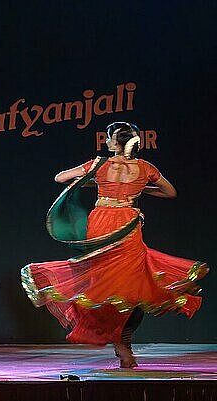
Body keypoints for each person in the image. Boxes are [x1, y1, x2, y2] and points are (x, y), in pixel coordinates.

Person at [21, 122, 208, 368]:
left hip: (101, 223)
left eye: (109, 139)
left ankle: (119, 342)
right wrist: (142, 189)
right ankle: (123, 343)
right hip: (128, 223)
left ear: (115, 142)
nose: (106, 142)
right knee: (131, 285)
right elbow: (170, 192)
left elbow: (60, 177)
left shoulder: (100, 164)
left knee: (101, 283)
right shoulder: (145, 168)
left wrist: (92, 181)